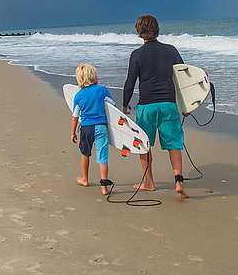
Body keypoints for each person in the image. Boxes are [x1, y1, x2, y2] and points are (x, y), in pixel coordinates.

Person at [123, 15, 188, 198]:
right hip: (168, 104)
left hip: (147, 107)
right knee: (174, 144)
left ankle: (149, 182)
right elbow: (183, 77)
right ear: (157, 29)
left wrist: (125, 103)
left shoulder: (137, 54)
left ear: (139, 31)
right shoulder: (171, 51)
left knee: (144, 145)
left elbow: (130, 83)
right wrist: (186, 104)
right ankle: (179, 181)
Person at [71, 64, 115, 195]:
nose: (97, 77)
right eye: (96, 75)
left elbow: (75, 116)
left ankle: (85, 179)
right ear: (91, 77)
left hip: (86, 128)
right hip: (101, 127)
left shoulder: (78, 95)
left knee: (85, 153)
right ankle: (104, 187)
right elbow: (112, 105)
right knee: (102, 156)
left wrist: (72, 132)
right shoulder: (102, 90)